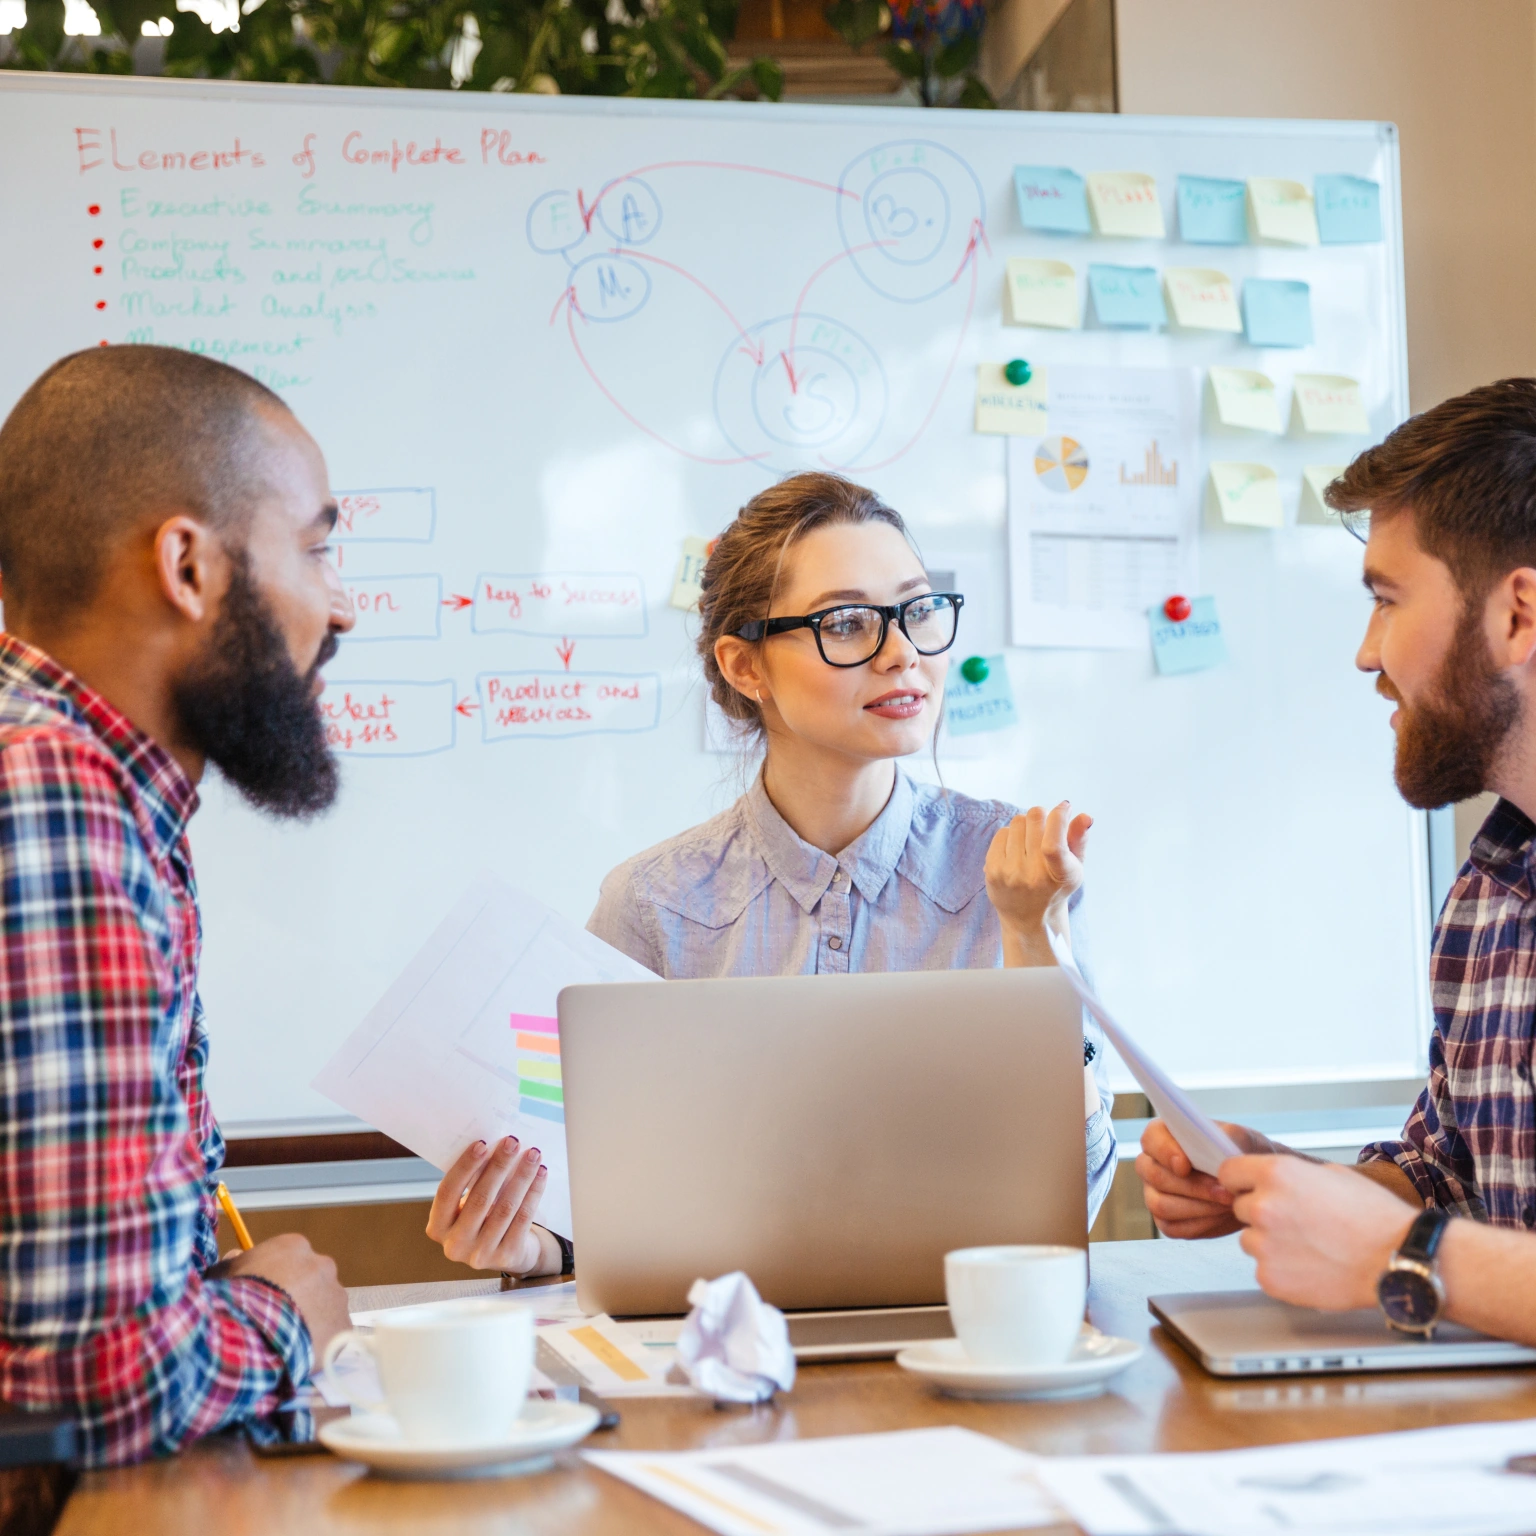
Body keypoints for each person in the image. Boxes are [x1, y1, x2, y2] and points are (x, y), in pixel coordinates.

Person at [432, 472, 1116, 1280]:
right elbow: (611, 1205)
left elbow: (1080, 1193)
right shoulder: (654, 905)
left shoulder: (1011, 867)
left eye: (920, 610)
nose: (904, 654)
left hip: (967, 1337)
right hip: (719, 1359)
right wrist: (538, 1247)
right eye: (849, 622)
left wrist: (1034, 935)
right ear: (746, 667)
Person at [0, 345, 361, 1465]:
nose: (339, 608)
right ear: (189, 566)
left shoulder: (90, 786)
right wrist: (286, 1316)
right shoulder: (52, 798)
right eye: (314, 549)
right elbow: (95, 1388)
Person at [1135, 379, 1536, 1347]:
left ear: (1519, 614)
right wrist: (1283, 1188)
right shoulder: (1491, 898)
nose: (1368, 654)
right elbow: (1448, 1178)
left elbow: (1428, 1236)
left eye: (1387, 601)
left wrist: (1405, 1256)